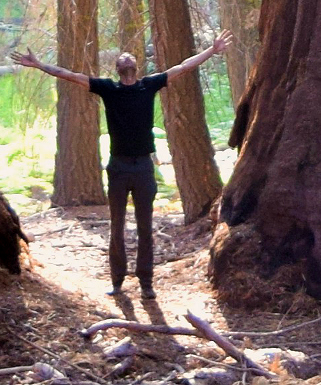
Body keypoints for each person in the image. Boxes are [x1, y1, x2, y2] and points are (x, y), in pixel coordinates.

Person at [13, 32, 227, 311]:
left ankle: (146, 283)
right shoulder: (111, 89)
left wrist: (211, 50)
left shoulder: (146, 86)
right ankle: (117, 281)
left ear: (132, 68)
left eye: (129, 59)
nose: (126, 61)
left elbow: (183, 67)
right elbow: (70, 75)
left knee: (144, 227)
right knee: (117, 226)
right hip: (119, 166)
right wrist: (40, 65)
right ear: (125, 69)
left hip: (141, 167)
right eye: (124, 60)